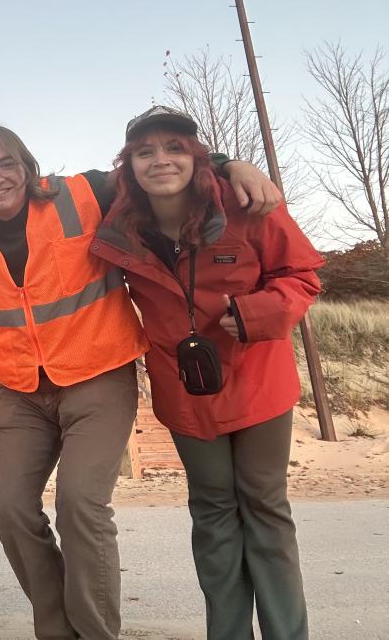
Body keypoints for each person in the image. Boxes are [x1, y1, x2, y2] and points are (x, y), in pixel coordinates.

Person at [0, 122, 280, 640]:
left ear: (28, 167)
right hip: (19, 389)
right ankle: (57, 629)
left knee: (79, 502)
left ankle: (97, 632)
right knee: (9, 509)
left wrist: (231, 163)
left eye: (6, 164)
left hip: (96, 377)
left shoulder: (83, 193)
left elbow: (159, 168)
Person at [92, 105, 323, 640]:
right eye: (145, 152)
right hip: (185, 389)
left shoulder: (245, 205)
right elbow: (44, 194)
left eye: (175, 148)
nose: (161, 160)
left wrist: (255, 314)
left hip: (258, 379)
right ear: (128, 166)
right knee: (213, 513)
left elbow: (303, 274)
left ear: (196, 158)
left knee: (264, 505)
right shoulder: (120, 222)